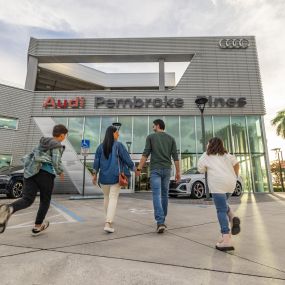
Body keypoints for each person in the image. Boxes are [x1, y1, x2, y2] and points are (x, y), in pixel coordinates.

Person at [0, 124, 68, 235]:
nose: (65, 137)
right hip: (45, 174)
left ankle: (9, 208)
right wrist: (60, 172)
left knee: (27, 199)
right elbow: (56, 161)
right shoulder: (57, 145)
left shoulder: (42, 143)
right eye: (65, 135)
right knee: (45, 201)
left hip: (30, 173)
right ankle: (37, 226)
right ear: (61, 135)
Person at [136, 119, 180, 234]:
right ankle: (162, 219)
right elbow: (175, 157)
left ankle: (160, 222)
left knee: (156, 194)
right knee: (164, 195)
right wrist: (178, 172)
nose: (152, 128)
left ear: (158, 126)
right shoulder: (171, 139)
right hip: (167, 170)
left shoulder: (151, 137)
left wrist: (139, 168)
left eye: (153, 126)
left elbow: (145, 154)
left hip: (155, 170)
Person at [197, 137, 241, 251]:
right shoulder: (227, 155)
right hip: (230, 184)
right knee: (223, 205)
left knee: (220, 210)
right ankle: (233, 217)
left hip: (218, 185)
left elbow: (200, 169)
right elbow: (237, 164)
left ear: (210, 145)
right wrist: (235, 176)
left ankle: (226, 239)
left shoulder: (206, 155)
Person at [92, 126, 135, 233]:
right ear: (112, 134)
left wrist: (94, 175)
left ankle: (108, 218)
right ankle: (108, 222)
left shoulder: (100, 147)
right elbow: (126, 158)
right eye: (117, 133)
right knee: (113, 198)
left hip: (103, 178)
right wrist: (134, 168)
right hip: (116, 176)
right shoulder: (118, 145)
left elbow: (96, 162)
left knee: (106, 197)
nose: (118, 135)